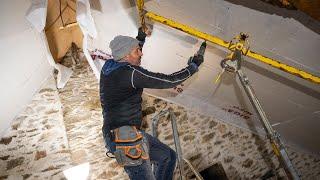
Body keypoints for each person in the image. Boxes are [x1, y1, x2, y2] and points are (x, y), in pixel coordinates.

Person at [99, 27, 204, 180]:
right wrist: (193, 66)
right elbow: (168, 81)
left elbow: (128, 50)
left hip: (127, 135)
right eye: (137, 51)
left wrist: (140, 38)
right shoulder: (131, 73)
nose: (141, 53)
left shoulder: (109, 67)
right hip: (125, 139)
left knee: (167, 157)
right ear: (126, 56)